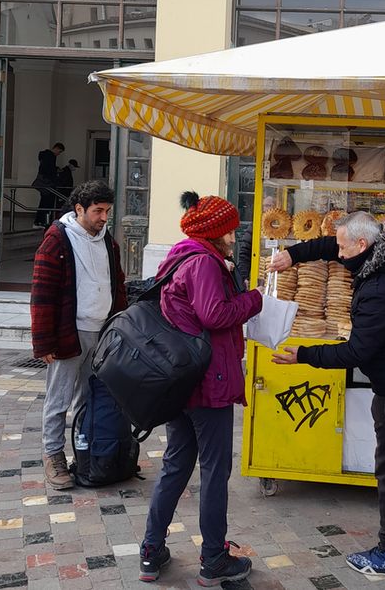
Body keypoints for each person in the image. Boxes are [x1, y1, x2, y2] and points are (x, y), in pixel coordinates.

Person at [268, 211, 385, 579]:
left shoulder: (380, 292)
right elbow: (332, 247)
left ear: (362, 246)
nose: (338, 252)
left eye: (344, 246)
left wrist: (303, 355)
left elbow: (355, 353)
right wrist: (293, 254)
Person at [139, 196, 262, 586]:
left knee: (176, 466)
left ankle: (151, 551)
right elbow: (214, 315)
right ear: (216, 231)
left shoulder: (180, 256)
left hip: (181, 381)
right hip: (209, 383)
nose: (235, 233)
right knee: (213, 472)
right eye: (230, 228)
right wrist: (255, 299)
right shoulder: (205, 262)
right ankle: (214, 560)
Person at [30, 180, 127, 490]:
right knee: (58, 398)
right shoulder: (57, 239)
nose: (103, 217)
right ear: (79, 209)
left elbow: (118, 285)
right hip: (68, 334)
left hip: (101, 333)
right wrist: (44, 341)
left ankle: (84, 454)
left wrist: (119, 326)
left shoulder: (108, 242)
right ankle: (52, 455)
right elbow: (42, 293)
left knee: (90, 398)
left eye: (107, 211)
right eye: (98, 211)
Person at [33, 142, 65, 228]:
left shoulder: (44, 155)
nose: (59, 154)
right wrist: (56, 171)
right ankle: (42, 221)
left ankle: (40, 221)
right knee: (47, 203)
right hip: (48, 183)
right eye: (60, 151)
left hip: (44, 183)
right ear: (57, 148)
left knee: (44, 202)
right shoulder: (51, 156)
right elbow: (49, 170)